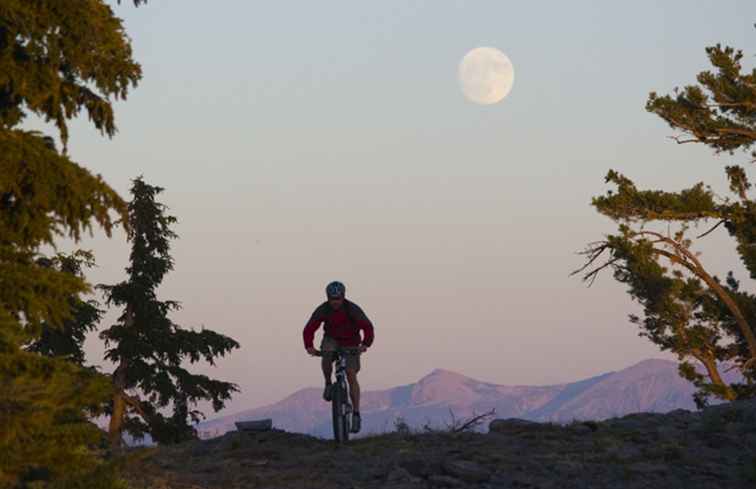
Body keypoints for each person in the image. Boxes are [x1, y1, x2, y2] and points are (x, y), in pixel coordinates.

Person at [303, 281, 374, 433]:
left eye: (338, 299)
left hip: (351, 342)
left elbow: (368, 326)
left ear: (343, 297)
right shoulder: (323, 309)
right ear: (328, 298)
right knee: (327, 354)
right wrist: (309, 346)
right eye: (332, 299)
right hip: (332, 340)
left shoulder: (352, 309)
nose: (335, 303)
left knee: (350, 374)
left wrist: (365, 344)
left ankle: (356, 413)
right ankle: (328, 383)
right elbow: (309, 328)